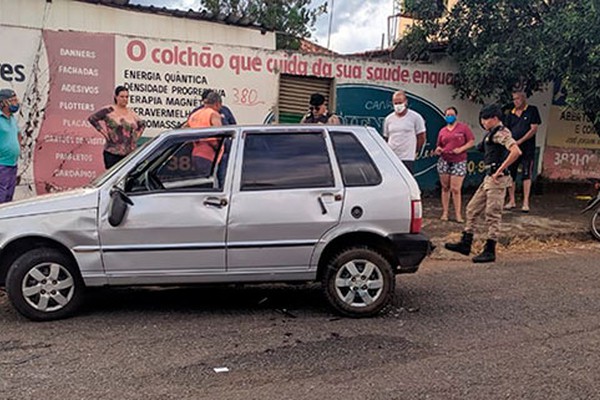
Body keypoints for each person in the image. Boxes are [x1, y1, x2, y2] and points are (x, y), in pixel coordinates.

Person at [445, 104, 522, 263]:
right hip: (488, 178)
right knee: (472, 209)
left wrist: (501, 168)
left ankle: (490, 250)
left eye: (485, 119)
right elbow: (480, 148)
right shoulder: (490, 134)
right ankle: (466, 243)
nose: (483, 122)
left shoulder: (501, 133)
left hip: (497, 179)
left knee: (492, 214)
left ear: (494, 118)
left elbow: (516, 151)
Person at [434, 106, 475, 222]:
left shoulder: (464, 128)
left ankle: (458, 214)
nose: (449, 117)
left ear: (456, 116)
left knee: (456, 189)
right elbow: (439, 145)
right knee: (445, 187)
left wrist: (461, 149)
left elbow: (471, 141)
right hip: (444, 160)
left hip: (459, 160)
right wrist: (438, 149)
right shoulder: (442, 130)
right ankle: (445, 212)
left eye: (451, 115)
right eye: (447, 115)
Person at [89, 86, 146, 169]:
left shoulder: (130, 112)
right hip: (113, 152)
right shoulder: (109, 110)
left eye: (127, 97)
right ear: (116, 97)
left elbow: (142, 124)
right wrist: (103, 132)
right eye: (122, 97)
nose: (125, 99)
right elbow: (92, 119)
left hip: (128, 154)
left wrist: (135, 137)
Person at [504, 90, 541, 213]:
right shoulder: (510, 114)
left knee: (526, 174)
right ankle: (512, 200)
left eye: (518, 99)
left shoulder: (532, 110)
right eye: (514, 99)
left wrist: (520, 140)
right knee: (511, 174)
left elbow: (533, 129)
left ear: (523, 99)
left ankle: (525, 202)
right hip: (513, 149)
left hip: (527, 148)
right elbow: (507, 130)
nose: (516, 101)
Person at [383, 90, 426, 173]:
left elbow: (421, 137)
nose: (398, 105)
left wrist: (415, 150)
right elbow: (386, 138)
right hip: (392, 158)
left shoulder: (416, 117)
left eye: (400, 102)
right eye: (395, 103)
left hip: (407, 158)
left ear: (405, 102)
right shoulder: (388, 119)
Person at [184, 91, 223, 176]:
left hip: (195, 153)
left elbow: (183, 131)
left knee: (201, 181)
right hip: (209, 154)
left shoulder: (195, 115)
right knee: (209, 184)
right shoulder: (213, 114)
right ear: (217, 104)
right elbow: (220, 133)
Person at [0, 89, 21, 203]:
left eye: (15, 100)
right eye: (12, 101)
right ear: (3, 103)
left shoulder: (12, 119)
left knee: (8, 197)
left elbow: (18, 135)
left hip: (12, 164)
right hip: (1, 164)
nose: (15, 103)